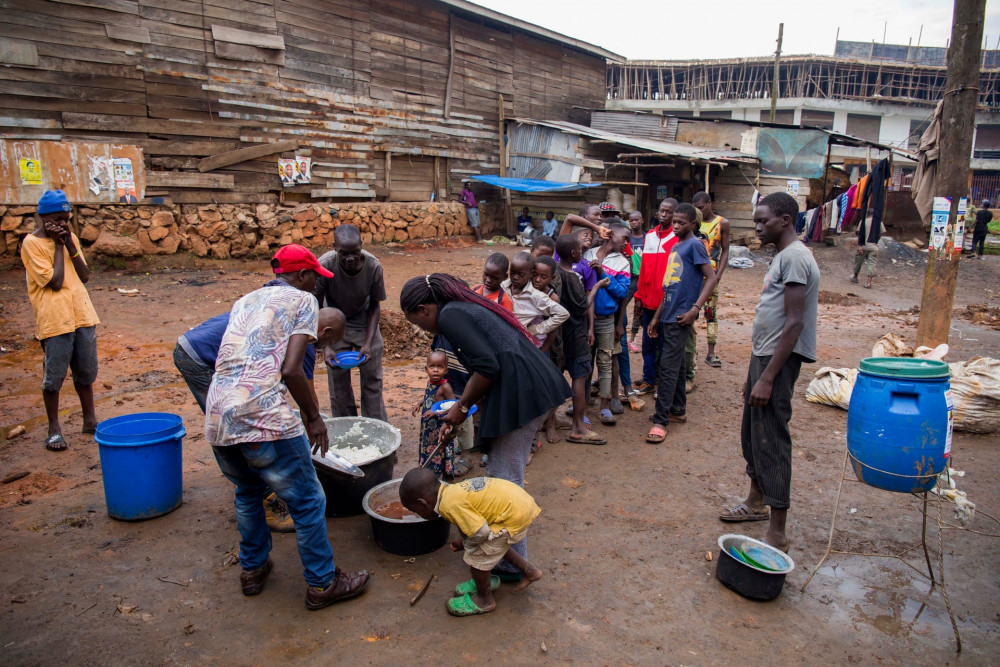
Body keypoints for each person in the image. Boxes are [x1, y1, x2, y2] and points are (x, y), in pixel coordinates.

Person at [205, 244, 371, 608]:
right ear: (301, 276)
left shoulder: (245, 301)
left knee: (248, 493)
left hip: (218, 415)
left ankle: (252, 568)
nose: (317, 287)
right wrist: (313, 418)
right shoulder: (303, 301)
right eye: (315, 278)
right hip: (264, 416)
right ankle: (323, 583)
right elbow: (291, 370)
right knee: (309, 500)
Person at [400, 273, 571, 581]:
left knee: (504, 482)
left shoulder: (451, 314)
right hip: (523, 387)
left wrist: (461, 407)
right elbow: (487, 364)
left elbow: (488, 366)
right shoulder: (459, 307)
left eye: (417, 320)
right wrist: (460, 412)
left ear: (425, 309)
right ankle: (510, 560)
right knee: (502, 478)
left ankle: (507, 567)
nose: (421, 328)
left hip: (524, 393)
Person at [175, 305, 344, 532]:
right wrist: (314, 431)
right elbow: (308, 401)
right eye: (332, 341)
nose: (328, 347)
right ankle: (265, 500)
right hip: (199, 356)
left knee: (242, 427)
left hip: (198, 343)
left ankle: (250, 483)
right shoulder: (304, 343)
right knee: (234, 426)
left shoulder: (290, 317)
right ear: (325, 331)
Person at [719, 193, 819, 554]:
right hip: (764, 356)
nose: (758, 227)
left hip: (777, 360)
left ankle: (777, 531)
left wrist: (767, 376)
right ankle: (756, 499)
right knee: (752, 432)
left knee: (771, 439)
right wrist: (754, 373)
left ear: (786, 220)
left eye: (763, 221)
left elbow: (794, 323)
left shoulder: (794, 257)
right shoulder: (784, 256)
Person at [399, 469, 542, 616]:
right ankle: (530, 571)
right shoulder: (450, 492)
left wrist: (466, 545)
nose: (417, 515)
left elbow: (481, 533)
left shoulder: (449, 506)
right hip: (517, 503)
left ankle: (484, 599)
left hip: (512, 514)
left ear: (422, 503)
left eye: (414, 511)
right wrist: (464, 541)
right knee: (495, 546)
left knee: (476, 557)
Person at [21, 190, 100, 452]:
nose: (65, 224)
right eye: (58, 218)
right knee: (54, 377)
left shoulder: (71, 238)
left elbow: (85, 275)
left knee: (85, 373)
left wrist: (68, 244)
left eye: (67, 218)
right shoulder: (31, 244)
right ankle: (54, 429)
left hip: (81, 314)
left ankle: (90, 420)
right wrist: (57, 245)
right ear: (44, 219)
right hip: (55, 319)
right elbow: (54, 282)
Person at [645, 204, 717, 444]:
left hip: (681, 316)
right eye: (674, 222)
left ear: (693, 225)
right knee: (674, 364)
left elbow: (711, 277)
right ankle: (677, 410)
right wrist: (656, 317)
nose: (675, 226)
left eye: (681, 223)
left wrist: (695, 309)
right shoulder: (676, 245)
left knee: (667, 367)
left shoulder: (695, 244)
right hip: (668, 313)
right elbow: (670, 285)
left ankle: (660, 420)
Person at [314, 224, 388, 421]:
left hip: (364, 320)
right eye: (343, 253)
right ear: (334, 247)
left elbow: (374, 306)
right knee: (337, 379)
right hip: (333, 321)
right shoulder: (325, 265)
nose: (349, 258)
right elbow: (316, 305)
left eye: (355, 252)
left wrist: (367, 343)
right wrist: (326, 347)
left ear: (361, 245)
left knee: (372, 379)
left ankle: (375, 427)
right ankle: (346, 427)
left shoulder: (373, 266)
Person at [555, 234, 608, 445]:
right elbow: (582, 307)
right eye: (579, 250)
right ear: (574, 254)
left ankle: (549, 422)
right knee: (580, 377)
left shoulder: (556, 271)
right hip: (576, 334)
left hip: (559, 334)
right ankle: (578, 427)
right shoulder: (572, 278)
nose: (581, 253)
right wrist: (597, 287)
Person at [582, 224, 630, 425]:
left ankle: (604, 406)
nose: (627, 242)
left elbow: (622, 293)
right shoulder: (586, 253)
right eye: (624, 237)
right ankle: (581, 405)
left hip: (606, 319)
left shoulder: (622, 263)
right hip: (584, 319)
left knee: (605, 361)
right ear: (610, 234)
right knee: (585, 362)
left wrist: (603, 273)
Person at [633, 198, 679, 395]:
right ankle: (649, 379)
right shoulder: (650, 236)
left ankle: (663, 383)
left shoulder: (677, 239)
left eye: (669, 212)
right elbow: (643, 270)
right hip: (648, 302)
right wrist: (639, 297)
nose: (664, 214)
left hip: (667, 304)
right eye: (662, 210)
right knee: (648, 344)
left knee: (665, 345)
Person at [692, 192, 731, 372]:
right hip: (694, 276)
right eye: (696, 209)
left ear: (709, 203)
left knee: (711, 313)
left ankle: (710, 352)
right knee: (691, 312)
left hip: (711, 276)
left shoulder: (722, 223)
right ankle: (691, 351)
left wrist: (718, 275)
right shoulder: (693, 223)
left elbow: (725, 250)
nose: (698, 211)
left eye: (701, 208)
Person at [502, 252, 568, 352]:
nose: (537, 280)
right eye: (535, 275)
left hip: (532, 346)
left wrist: (535, 330)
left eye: (543, 277)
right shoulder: (505, 285)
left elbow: (560, 318)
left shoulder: (538, 296)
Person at [413, 351, 465, 478]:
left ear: (446, 370)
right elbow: (429, 397)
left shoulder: (445, 387)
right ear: (426, 369)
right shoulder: (430, 383)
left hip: (439, 428)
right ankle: (428, 471)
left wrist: (436, 412)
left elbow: (453, 406)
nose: (435, 370)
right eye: (432, 367)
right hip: (428, 428)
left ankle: (439, 475)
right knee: (427, 447)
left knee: (439, 449)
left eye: (440, 367)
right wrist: (420, 403)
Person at [626, 211, 646, 353]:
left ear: (642, 221)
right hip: (630, 277)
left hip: (644, 278)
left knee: (639, 309)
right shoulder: (627, 239)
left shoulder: (648, 238)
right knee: (622, 303)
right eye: (631, 220)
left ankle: (632, 339)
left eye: (636, 220)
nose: (634, 223)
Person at [849, 208, 883, 288]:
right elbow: (880, 234)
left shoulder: (863, 221)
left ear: (868, 214)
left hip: (863, 246)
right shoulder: (879, 222)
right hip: (873, 247)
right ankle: (868, 283)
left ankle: (855, 277)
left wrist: (860, 245)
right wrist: (875, 242)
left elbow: (858, 233)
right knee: (872, 264)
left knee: (858, 262)